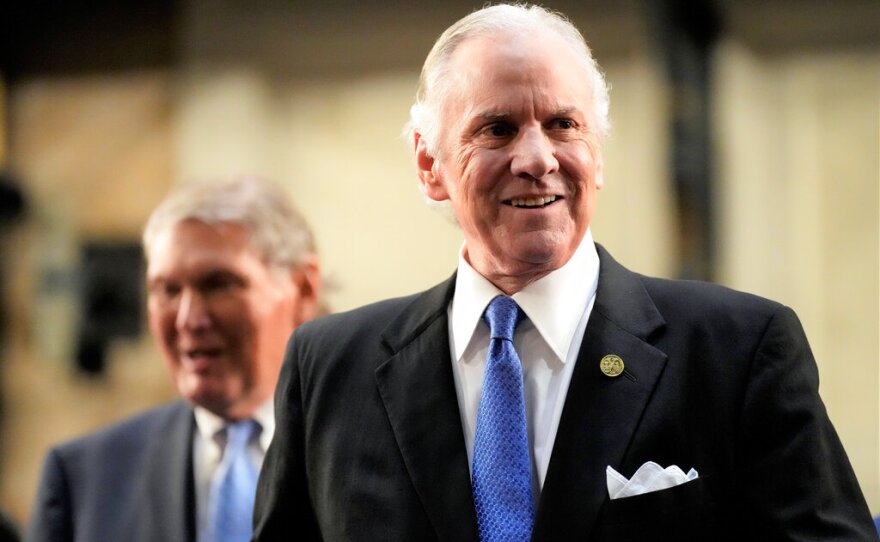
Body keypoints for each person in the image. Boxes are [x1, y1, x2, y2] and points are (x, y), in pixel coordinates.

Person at [253, 4, 877, 541]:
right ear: (429, 164)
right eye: (496, 129)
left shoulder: (738, 350)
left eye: (563, 125)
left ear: (597, 154)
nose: (537, 158)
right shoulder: (330, 368)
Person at [27, 177, 322, 542]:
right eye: (168, 290)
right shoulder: (84, 478)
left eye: (219, 284)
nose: (188, 319)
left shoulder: (369, 458)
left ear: (303, 288)